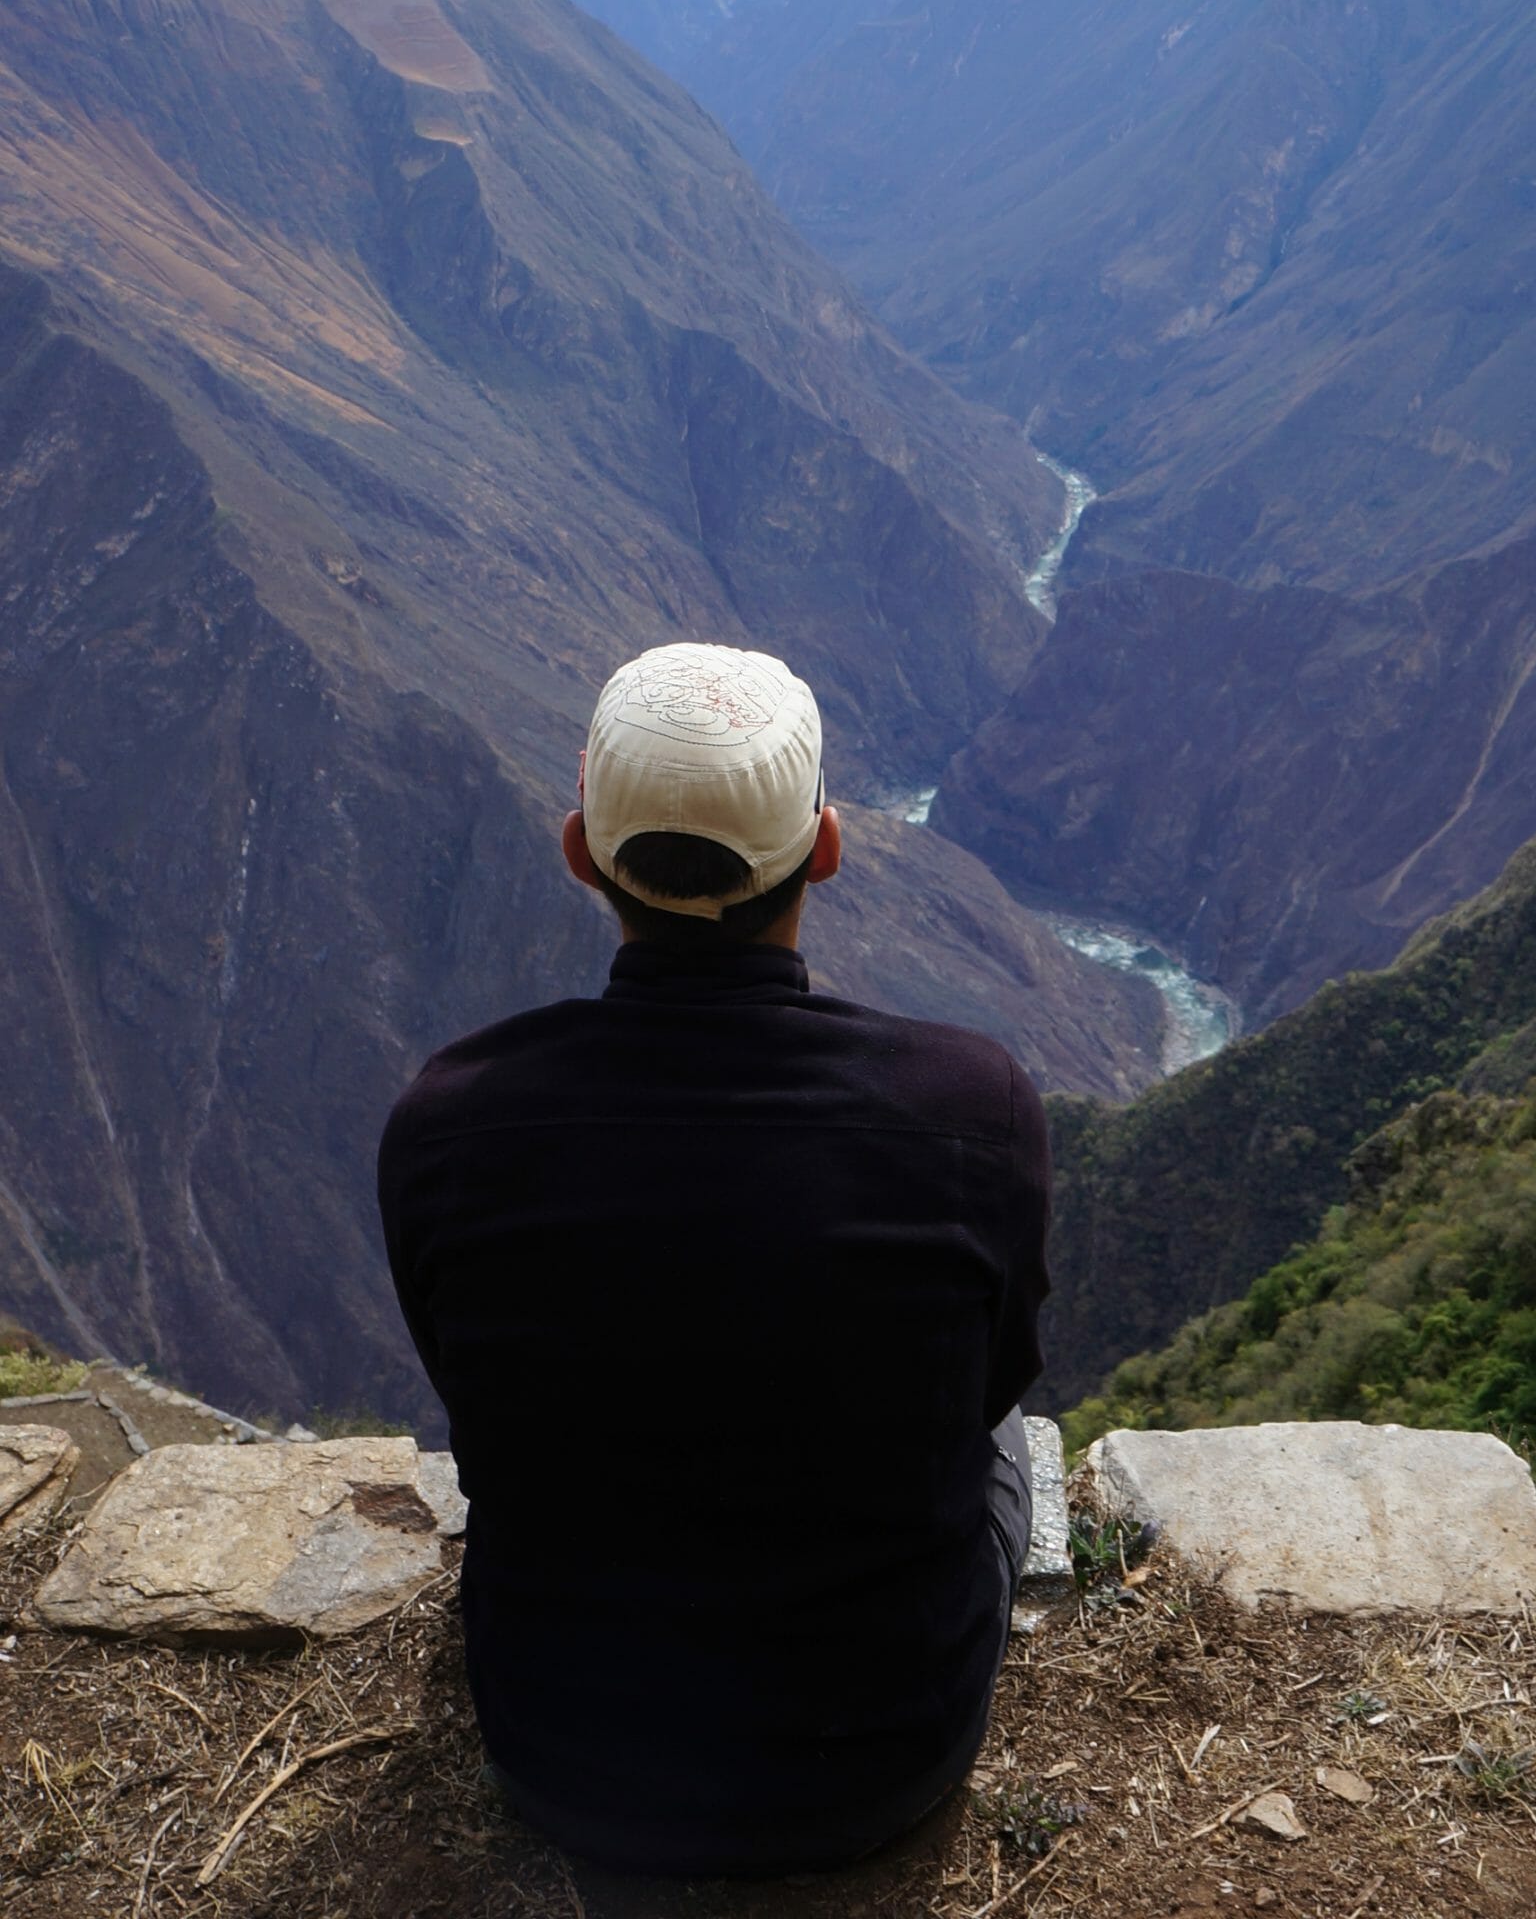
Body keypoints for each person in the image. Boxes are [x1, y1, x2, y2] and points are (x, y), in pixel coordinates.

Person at [376, 640, 1051, 1880]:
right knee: (1003, 1428)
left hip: (563, 1751)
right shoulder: (970, 1108)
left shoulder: (452, 1124)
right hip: (883, 1754)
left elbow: (467, 1391)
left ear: (582, 851)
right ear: (829, 846)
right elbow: (991, 1380)